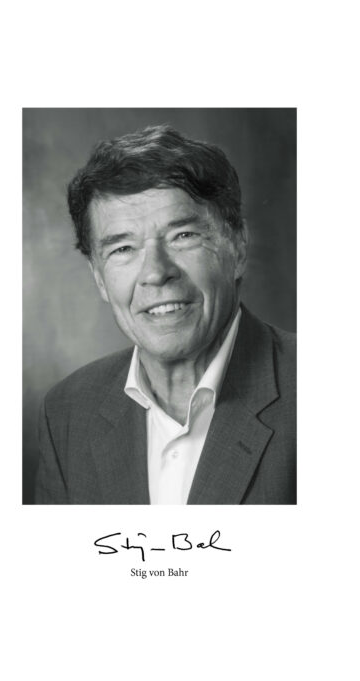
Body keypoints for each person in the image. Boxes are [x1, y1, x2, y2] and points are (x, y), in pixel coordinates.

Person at [34, 124, 296, 505]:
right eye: (122, 248)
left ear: (237, 247)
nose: (156, 273)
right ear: (100, 279)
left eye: (183, 236)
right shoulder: (68, 413)